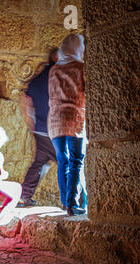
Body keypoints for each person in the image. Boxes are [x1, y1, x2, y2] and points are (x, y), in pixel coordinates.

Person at [48, 33, 87, 216]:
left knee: (62, 161)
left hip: (54, 120)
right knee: (76, 162)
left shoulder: (54, 70)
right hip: (74, 119)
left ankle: (65, 202)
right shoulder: (80, 67)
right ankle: (73, 205)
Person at [17, 48, 59, 207]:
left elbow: (25, 101)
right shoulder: (61, 77)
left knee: (39, 163)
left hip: (40, 129)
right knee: (69, 165)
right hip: (57, 130)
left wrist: (31, 124)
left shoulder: (37, 79)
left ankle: (24, 196)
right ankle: (74, 203)